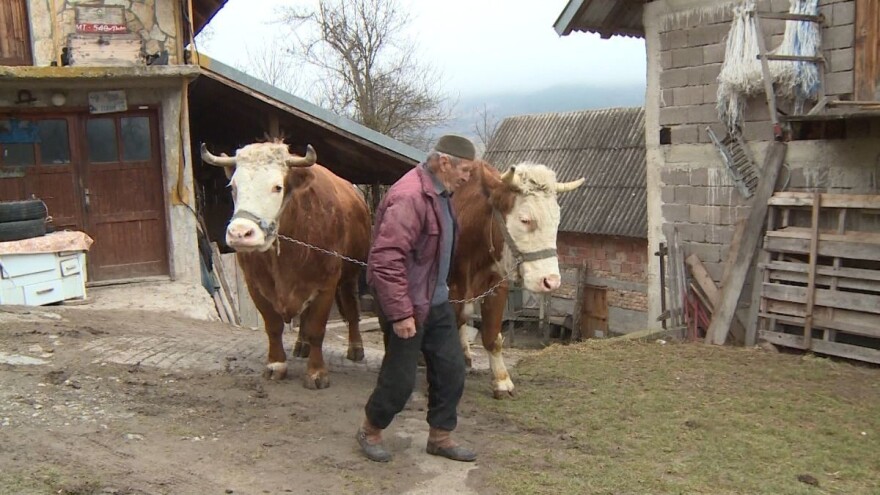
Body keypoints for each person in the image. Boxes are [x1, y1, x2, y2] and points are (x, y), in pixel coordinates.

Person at [356, 134, 477, 463]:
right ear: (444, 163)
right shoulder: (409, 197)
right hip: (406, 304)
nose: (468, 177)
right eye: (464, 169)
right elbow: (385, 260)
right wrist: (400, 314)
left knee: (452, 370)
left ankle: (440, 437)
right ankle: (370, 430)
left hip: (435, 302)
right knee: (400, 379)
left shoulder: (443, 193)